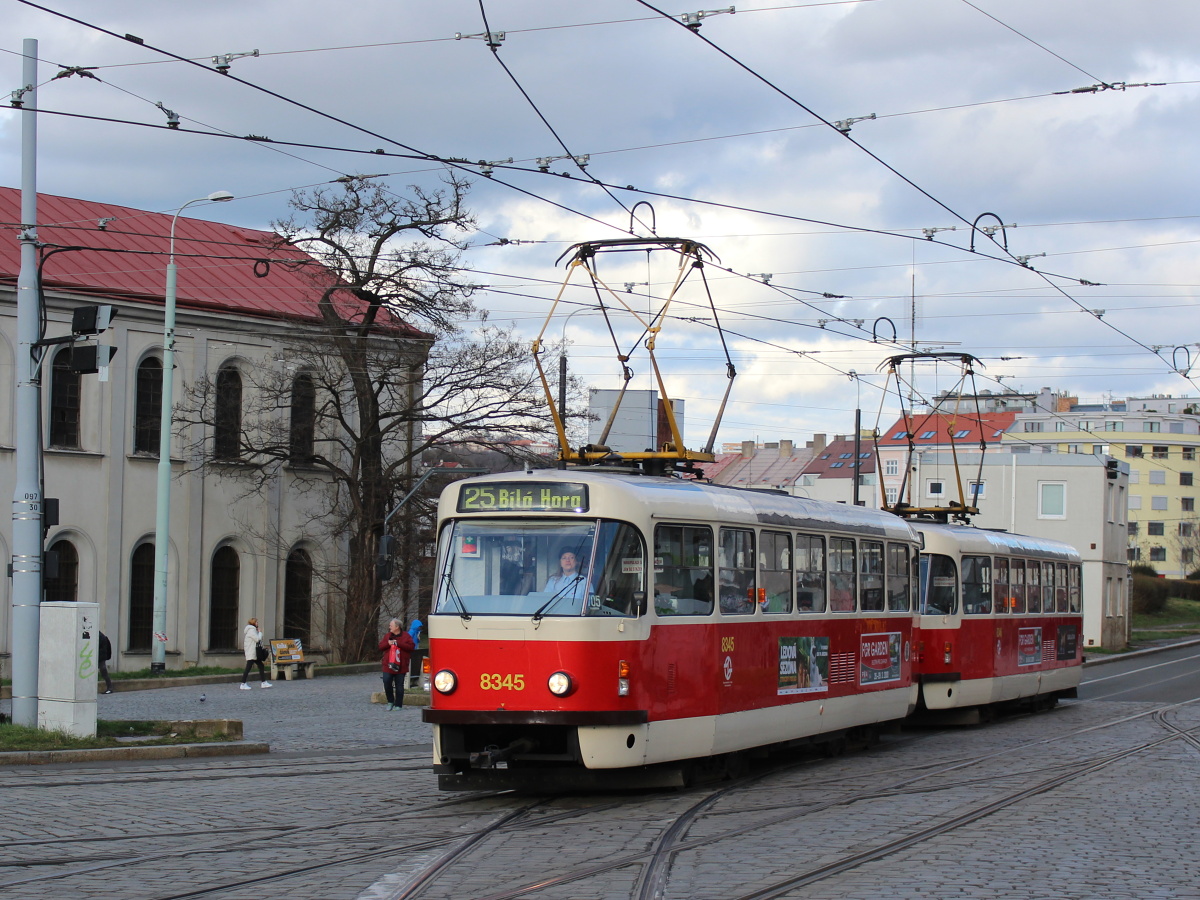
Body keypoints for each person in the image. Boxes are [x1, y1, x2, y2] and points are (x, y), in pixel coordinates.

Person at [379, 618, 415, 710]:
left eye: (391, 625)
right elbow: (381, 646)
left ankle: (398, 704)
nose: (389, 627)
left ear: (397, 627)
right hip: (388, 664)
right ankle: (390, 701)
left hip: (401, 665)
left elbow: (411, 647)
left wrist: (398, 643)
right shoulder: (388, 636)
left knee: (399, 685)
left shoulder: (406, 636)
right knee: (386, 682)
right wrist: (388, 643)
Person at [240, 617, 272, 690]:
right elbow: (257, 639)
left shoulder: (252, 630)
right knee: (248, 668)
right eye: (256, 622)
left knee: (261, 666)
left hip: (254, 652)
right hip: (252, 652)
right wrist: (260, 633)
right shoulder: (251, 630)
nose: (257, 623)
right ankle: (243, 683)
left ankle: (263, 682)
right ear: (253, 623)